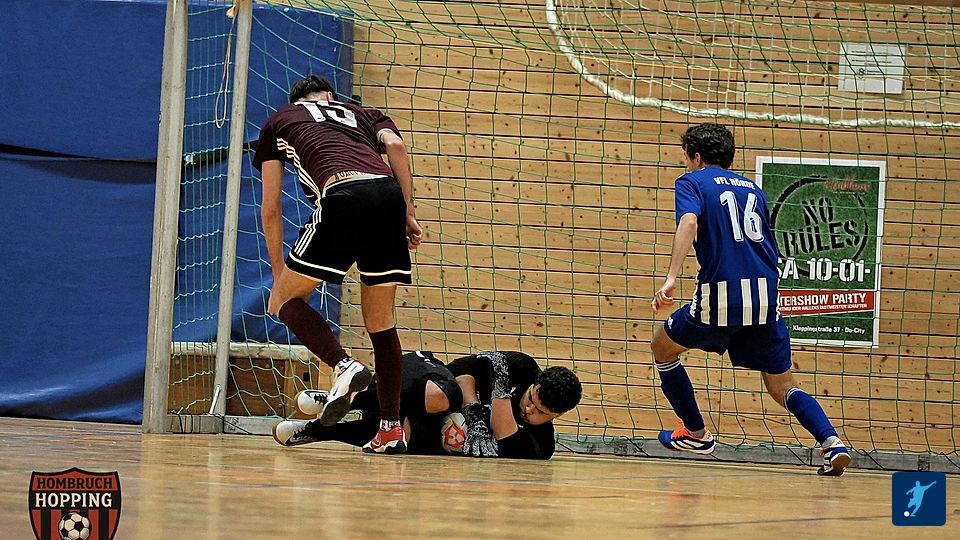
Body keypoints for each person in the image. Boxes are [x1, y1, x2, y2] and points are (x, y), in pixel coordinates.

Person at [649, 123, 852, 476]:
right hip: (765, 300)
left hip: (721, 297)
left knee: (662, 348)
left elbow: (689, 223)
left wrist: (671, 277)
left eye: (686, 158)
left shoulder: (691, 182)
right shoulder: (753, 189)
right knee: (782, 385)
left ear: (696, 157)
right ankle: (832, 443)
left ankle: (696, 433)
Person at [254, 75, 422, 454]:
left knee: (282, 301)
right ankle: (391, 430)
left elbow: (271, 209)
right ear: (330, 96)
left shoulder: (280, 120)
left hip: (342, 193)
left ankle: (343, 366)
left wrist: (279, 272)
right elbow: (396, 146)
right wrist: (408, 211)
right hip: (388, 197)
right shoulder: (363, 112)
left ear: (296, 102)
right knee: (381, 323)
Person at [272, 350, 582, 460]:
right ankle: (349, 398)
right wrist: (474, 411)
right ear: (534, 383)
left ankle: (317, 430)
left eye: (541, 413)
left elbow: (504, 435)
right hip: (425, 381)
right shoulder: (524, 367)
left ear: (558, 415)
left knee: (399, 437)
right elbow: (459, 371)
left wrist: (501, 389)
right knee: (445, 396)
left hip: (419, 420)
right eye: (530, 399)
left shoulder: (541, 445)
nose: (529, 410)